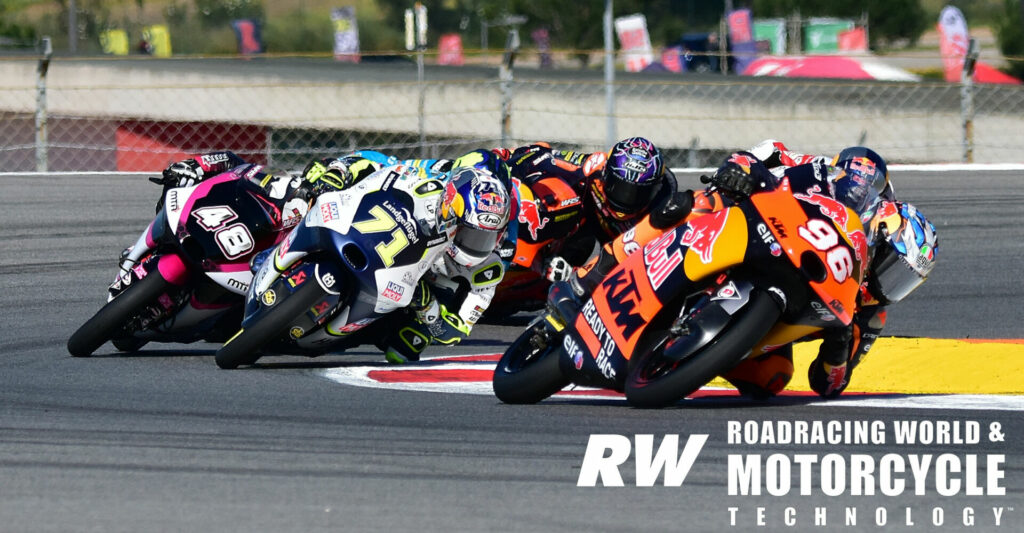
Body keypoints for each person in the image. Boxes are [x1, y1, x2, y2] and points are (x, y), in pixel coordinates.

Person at [563, 148, 936, 399]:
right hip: (768, 232)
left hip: (782, 311)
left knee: (773, 379)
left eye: (903, 281)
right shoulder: (819, 174)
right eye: (890, 268)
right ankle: (602, 269)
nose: (889, 286)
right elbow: (756, 156)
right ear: (875, 235)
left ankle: (697, 357)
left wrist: (837, 353)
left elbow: (829, 385)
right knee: (698, 203)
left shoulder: (870, 314)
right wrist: (742, 172)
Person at [300, 151, 513, 364]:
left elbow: (455, 333)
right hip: (387, 245)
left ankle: (339, 336)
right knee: (310, 184)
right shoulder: (432, 185)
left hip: (416, 297)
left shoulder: (490, 269)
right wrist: (339, 170)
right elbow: (385, 165)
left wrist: (428, 307)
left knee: (405, 347)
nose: (475, 244)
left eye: (485, 237)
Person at [497, 137, 676, 283]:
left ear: (654, 189)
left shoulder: (662, 207)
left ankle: (564, 279)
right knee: (559, 195)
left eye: (639, 193)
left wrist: (574, 274)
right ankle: (521, 253)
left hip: (622, 249)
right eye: (620, 188)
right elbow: (543, 155)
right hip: (583, 225)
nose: (627, 200)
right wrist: (504, 160)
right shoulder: (592, 167)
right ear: (606, 174)